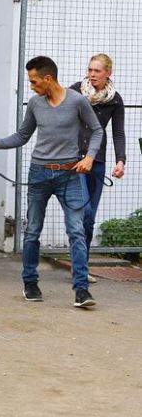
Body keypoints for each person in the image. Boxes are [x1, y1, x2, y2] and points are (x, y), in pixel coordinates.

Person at [0, 56, 103, 308]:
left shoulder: (77, 101)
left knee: (77, 231)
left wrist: (89, 157)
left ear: (48, 78)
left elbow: (97, 130)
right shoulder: (35, 104)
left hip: (70, 175)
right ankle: (30, 283)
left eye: (33, 81)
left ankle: (81, 290)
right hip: (39, 174)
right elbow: (22, 135)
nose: (31, 86)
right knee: (32, 231)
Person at [70, 54, 126, 283]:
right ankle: (79, 268)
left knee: (90, 220)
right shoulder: (75, 91)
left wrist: (120, 160)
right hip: (75, 160)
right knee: (86, 211)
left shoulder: (115, 99)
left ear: (108, 74)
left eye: (97, 71)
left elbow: (118, 132)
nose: (92, 74)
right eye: (90, 70)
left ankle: (81, 267)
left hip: (98, 161)